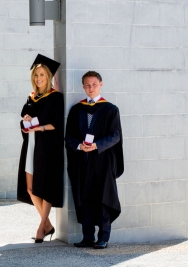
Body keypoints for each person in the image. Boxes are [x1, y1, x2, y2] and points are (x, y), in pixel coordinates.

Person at [65, 71, 124, 249]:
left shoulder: (110, 109)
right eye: (87, 85)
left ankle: (103, 238)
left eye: (94, 84)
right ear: (83, 87)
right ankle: (87, 237)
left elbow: (115, 135)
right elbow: (69, 137)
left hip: (103, 162)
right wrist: (79, 146)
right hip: (82, 162)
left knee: (103, 199)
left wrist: (97, 145)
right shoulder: (76, 110)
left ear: (101, 84)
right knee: (85, 199)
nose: (91, 88)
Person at [17, 54, 64, 243]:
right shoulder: (31, 98)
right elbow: (23, 118)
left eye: (42, 75)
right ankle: (48, 226)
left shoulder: (56, 98)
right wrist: (26, 120)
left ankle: (41, 226)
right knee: (30, 189)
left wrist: (40, 127)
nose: (38, 78)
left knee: (45, 188)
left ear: (49, 76)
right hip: (31, 144)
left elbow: (57, 124)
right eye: (36, 75)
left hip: (47, 147)